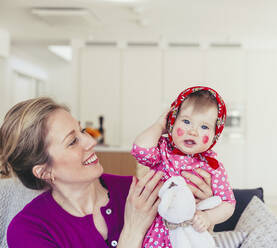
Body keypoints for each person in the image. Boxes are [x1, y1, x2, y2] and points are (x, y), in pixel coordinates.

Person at [0, 97, 214, 248]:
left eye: (82, 130)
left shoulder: (137, 190)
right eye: (73, 141)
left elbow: (187, 239)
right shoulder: (28, 229)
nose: (91, 141)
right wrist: (133, 231)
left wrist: (200, 211)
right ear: (44, 171)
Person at [132, 86, 236, 247]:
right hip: (158, 232)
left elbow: (228, 203)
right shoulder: (163, 151)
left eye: (204, 127)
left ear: (215, 134)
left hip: (190, 234)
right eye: (186, 121)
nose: (193, 131)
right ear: (172, 121)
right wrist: (160, 125)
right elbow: (140, 149)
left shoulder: (212, 166)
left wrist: (208, 217)